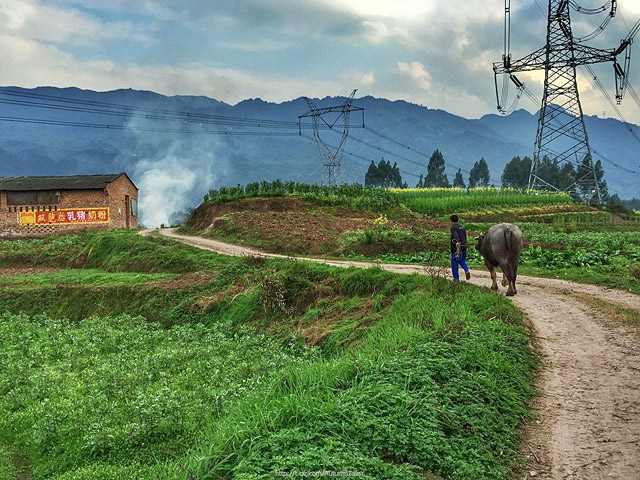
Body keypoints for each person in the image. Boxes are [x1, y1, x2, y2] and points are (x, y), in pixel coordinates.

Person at [450, 214, 470, 281]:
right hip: (464, 247)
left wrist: (457, 242)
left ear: (451, 221)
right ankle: (466, 270)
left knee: (454, 263)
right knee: (462, 261)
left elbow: (455, 236)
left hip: (456, 249)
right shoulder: (462, 227)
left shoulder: (453, 228)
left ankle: (456, 278)